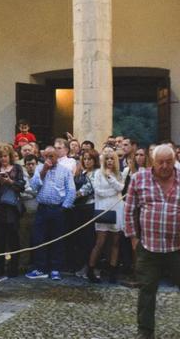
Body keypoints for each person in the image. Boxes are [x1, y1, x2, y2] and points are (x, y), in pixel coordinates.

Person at [124, 144, 180, 339]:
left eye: (169, 162)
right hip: (148, 247)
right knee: (147, 291)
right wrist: (134, 239)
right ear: (152, 162)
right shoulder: (139, 178)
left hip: (177, 247)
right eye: (160, 162)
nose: (165, 166)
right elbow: (129, 210)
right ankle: (145, 331)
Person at [26, 146, 76, 280]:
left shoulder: (65, 171)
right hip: (42, 208)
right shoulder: (39, 168)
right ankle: (40, 268)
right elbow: (34, 186)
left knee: (57, 239)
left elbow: (71, 190)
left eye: (51, 156)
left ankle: (55, 269)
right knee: (39, 239)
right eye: (46, 156)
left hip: (57, 209)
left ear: (57, 157)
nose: (48, 159)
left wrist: (64, 207)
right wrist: (43, 170)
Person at [87, 149, 124, 283]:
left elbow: (120, 188)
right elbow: (98, 191)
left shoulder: (118, 174)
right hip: (102, 209)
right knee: (100, 242)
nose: (109, 161)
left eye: (111, 158)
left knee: (115, 242)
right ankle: (90, 269)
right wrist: (113, 190)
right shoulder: (98, 173)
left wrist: (111, 178)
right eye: (107, 158)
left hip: (117, 209)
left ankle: (112, 271)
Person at [0, 144, 26, 278]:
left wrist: (10, 181)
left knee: (13, 239)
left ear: (10, 156)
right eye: (0, 157)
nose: (3, 159)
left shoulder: (17, 168)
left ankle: (13, 268)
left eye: (5, 156)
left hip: (12, 208)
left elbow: (21, 186)